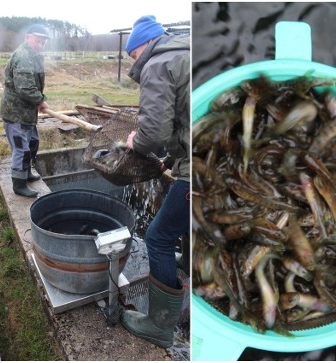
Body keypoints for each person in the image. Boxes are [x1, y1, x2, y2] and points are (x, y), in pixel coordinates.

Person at [119, 15, 190, 349]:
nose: (135, 62)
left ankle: (159, 326)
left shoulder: (158, 63)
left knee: (158, 237)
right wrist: (171, 159)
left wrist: (135, 142)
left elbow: (153, 132)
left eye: (132, 56)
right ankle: (189, 273)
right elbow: (186, 117)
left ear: (141, 46)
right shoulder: (186, 52)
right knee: (190, 226)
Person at [0, 24, 51, 198]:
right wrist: (41, 101)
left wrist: (38, 101)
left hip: (27, 113)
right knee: (21, 150)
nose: (40, 44)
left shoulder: (34, 55)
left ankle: (26, 172)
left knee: (33, 143)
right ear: (27, 37)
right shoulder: (23, 57)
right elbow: (25, 88)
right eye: (37, 41)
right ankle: (19, 184)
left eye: (43, 42)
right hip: (16, 114)